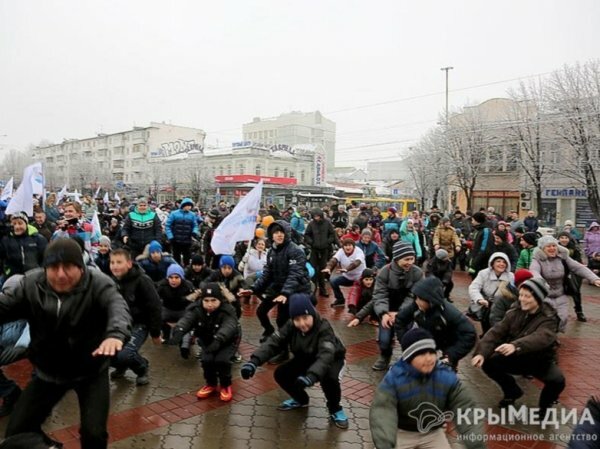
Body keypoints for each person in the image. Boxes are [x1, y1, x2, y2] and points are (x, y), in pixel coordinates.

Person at [0, 238, 131, 449]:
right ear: (45, 268)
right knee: (16, 434)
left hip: (91, 371)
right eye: (53, 267)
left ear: (80, 267)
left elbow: (117, 307)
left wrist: (114, 335)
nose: (61, 274)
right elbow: (4, 305)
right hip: (48, 373)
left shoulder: (99, 283)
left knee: (94, 434)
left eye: (68, 266)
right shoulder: (30, 284)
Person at [240, 293, 349, 429]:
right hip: (306, 356)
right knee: (281, 374)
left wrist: (311, 377)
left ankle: (335, 408)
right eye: (297, 319)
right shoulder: (291, 325)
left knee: (329, 379)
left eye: (305, 318)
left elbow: (326, 355)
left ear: (312, 314)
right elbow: (274, 342)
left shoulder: (324, 328)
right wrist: (254, 362)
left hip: (332, 359)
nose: (302, 323)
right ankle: (301, 400)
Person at [370, 328, 485, 449]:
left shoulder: (445, 376)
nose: (429, 358)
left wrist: (475, 441)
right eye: (422, 354)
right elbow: (383, 411)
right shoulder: (395, 377)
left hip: (432, 432)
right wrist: (384, 442)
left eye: (432, 352)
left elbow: (465, 408)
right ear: (409, 357)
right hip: (402, 432)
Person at [472, 278, 565, 416]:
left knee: (557, 381)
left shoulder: (549, 317)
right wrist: (480, 353)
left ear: (538, 298)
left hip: (540, 360)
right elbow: (496, 332)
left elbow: (541, 337)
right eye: (521, 295)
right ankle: (512, 392)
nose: (522, 299)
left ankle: (545, 407)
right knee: (488, 362)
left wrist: (516, 345)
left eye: (527, 296)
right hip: (516, 357)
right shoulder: (515, 311)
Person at [238, 220, 311, 352]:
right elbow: (267, 273)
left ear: (287, 233)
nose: (279, 235)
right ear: (271, 235)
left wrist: (285, 293)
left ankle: (283, 351)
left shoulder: (295, 251)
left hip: (295, 289)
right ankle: (270, 331)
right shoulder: (272, 251)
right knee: (261, 311)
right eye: (276, 232)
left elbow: (295, 274)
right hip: (278, 287)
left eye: (282, 232)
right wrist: (253, 289)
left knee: (282, 319)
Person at [171, 283, 239, 402]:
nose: (209, 304)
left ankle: (225, 385)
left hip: (226, 340)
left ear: (220, 299)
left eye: (213, 300)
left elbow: (229, 326)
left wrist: (219, 339)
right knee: (207, 361)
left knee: (222, 361)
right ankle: (211, 383)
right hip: (207, 340)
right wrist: (179, 330)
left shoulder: (228, 310)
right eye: (206, 300)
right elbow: (187, 319)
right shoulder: (196, 309)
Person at [395, 277, 476, 370]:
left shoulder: (450, 313)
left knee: (446, 371)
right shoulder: (416, 305)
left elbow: (469, 334)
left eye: (420, 299)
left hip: (449, 341)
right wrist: (406, 342)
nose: (417, 301)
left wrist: (451, 355)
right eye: (416, 298)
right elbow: (400, 320)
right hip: (428, 337)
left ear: (430, 300)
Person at [108, 249, 162, 386]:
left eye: (119, 262)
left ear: (129, 264)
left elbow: (154, 307)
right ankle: (121, 365)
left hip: (140, 324)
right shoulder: (112, 281)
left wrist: (155, 333)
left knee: (125, 354)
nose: (115, 266)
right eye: (112, 262)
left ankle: (142, 368)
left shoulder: (142, 280)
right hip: (120, 324)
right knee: (105, 351)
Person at [530, 235, 600, 331]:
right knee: (547, 319)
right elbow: (534, 272)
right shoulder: (537, 260)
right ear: (542, 249)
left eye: (554, 246)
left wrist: (594, 278)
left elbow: (578, 267)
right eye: (548, 246)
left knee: (563, 319)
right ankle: (548, 337)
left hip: (560, 294)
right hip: (545, 295)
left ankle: (553, 335)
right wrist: (541, 282)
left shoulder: (563, 257)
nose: (552, 248)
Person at [372, 242, 423, 371]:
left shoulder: (417, 273)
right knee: (384, 339)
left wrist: (401, 313)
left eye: (412, 258)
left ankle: (409, 359)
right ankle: (385, 356)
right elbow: (379, 294)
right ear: (397, 258)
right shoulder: (384, 272)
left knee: (407, 337)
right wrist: (383, 313)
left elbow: (414, 296)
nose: (410, 262)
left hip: (407, 311)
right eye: (406, 259)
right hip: (387, 310)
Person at [468, 252, 514, 334]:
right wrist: (479, 299)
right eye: (498, 261)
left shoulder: (510, 276)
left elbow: (513, 293)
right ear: (492, 263)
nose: (501, 264)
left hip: (502, 307)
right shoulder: (483, 273)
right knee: (486, 327)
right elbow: (474, 287)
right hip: (486, 304)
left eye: (504, 262)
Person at [157, 264, 198, 356]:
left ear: (181, 278)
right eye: (171, 277)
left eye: (176, 277)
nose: (173, 280)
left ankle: (184, 345)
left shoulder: (188, 286)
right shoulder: (162, 285)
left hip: (183, 310)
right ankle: (166, 333)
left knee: (187, 323)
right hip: (167, 309)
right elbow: (154, 299)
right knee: (157, 317)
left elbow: (195, 302)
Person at [0, 212, 47, 278]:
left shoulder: (38, 239)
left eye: (20, 223)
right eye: (14, 224)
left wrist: (40, 271)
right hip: (12, 277)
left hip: (34, 276)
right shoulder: (6, 239)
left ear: (26, 224)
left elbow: (45, 258)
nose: (17, 226)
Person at [322, 238, 365, 308]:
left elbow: (356, 263)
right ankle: (340, 300)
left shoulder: (359, 251)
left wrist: (347, 269)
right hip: (347, 277)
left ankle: (362, 302)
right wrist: (328, 268)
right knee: (333, 281)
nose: (348, 247)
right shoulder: (340, 251)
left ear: (353, 246)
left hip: (359, 277)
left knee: (362, 291)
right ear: (343, 247)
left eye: (350, 245)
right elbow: (334, 260)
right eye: (346, 245)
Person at [304, 208, 337, 297]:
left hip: (324, 249)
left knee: (323, 269)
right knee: (313, 270)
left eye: (318, 216)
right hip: (314, 249)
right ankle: (313, 289)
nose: (316, 218)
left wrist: (328, 242)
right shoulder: (311, 224)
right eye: (315, 216)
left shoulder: (327, 223)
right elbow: (307, 235)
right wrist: (311, 242)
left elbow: (332, 234)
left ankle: (322, 289)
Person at [557, 231, 586, 322]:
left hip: (573, 273)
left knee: (576, 292)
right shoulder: (555, 247)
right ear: (559, 239)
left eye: (566, 238)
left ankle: (579, 311)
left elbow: (578, 261)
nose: (564, 240)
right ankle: (557, 313)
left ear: (569, 239)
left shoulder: (574, 248)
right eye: (562, 237)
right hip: (560, 273)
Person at [165, 197, 199, 267]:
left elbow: (195, 225)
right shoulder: (174, 214)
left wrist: (194, 232)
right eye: (188, 205)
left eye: (190, 206)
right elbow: (168, 226)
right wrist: (170, 236)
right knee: (176, 258)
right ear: (183, 205)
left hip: (187, 241)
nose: (189, 207)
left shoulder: (192, 215)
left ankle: (186, 273)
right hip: (176, 240)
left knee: (187, 259)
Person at [468, 211, 495, 279]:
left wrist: (474, 264)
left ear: (477, 220)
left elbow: (484, 250)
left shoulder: (486, 231)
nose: (472, 222)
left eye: (473, 220)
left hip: (482, 265)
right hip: (477, 264)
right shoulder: (478, 230)